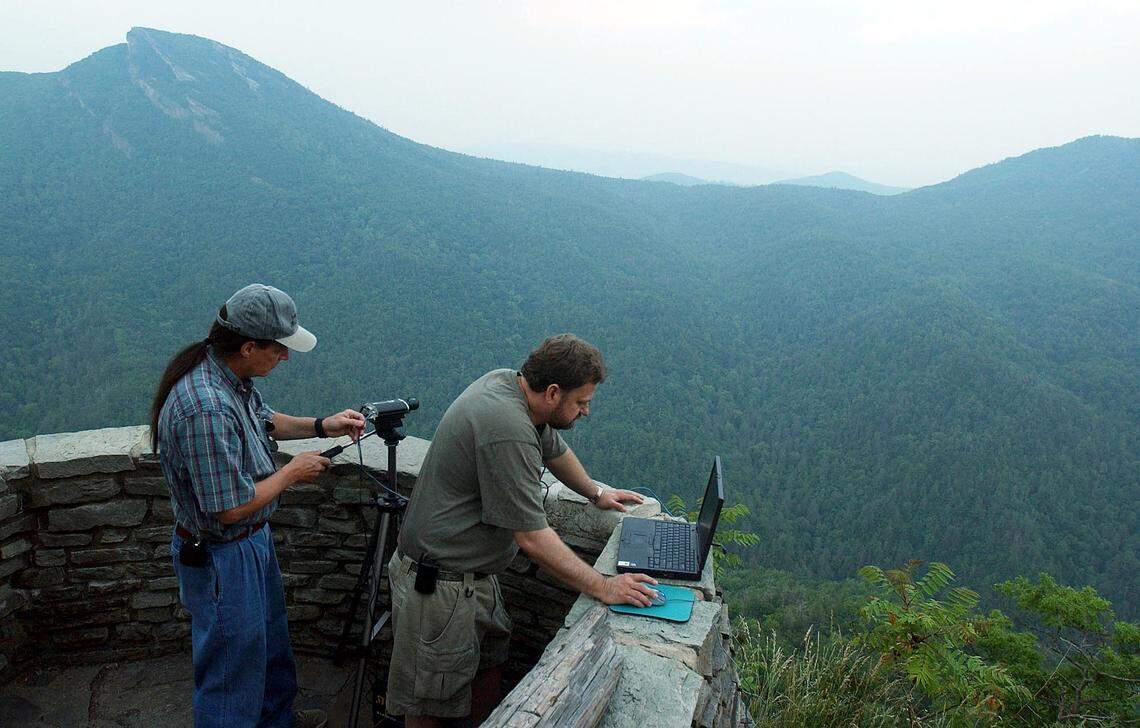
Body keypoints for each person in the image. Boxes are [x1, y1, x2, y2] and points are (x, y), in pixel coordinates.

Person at [387, 333, 658, 727]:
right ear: (552, 392)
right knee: (431, 705)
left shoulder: (509, 384)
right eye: (581, 402)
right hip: (440, 586)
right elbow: (532, 536)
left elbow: (553, 449)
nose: (586, 411)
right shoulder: (506, 427)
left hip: (473, 577)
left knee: (488, 667)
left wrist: (596, 492)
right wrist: (604, 586)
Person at [150, 283, 366, 728]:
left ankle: (274, 720)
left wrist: (323, 425)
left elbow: (265, 421)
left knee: (266, 648)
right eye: (279, 349)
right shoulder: (204, 408)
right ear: (249, 347)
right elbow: (226, 509)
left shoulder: (231, 378)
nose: (285, 357)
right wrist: (290, 474)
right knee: (230, 671)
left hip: (249, 544)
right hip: (221, 555)